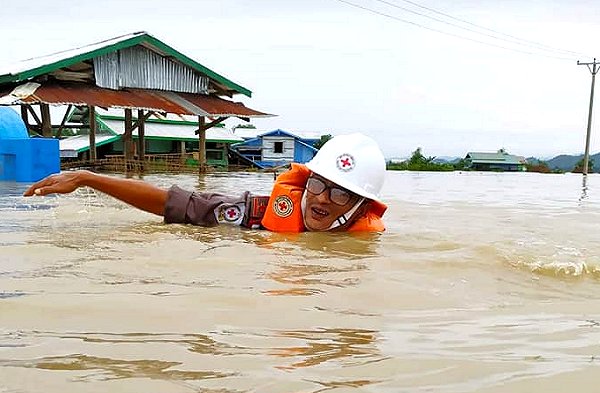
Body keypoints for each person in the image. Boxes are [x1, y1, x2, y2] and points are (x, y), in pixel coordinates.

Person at [23, 133, 388, 232]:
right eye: (318, 185)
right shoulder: (254, 214)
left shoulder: (367, 248)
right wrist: (88, 178)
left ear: (361, 207)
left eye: (341, 193)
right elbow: (173, 203)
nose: (323, 199)